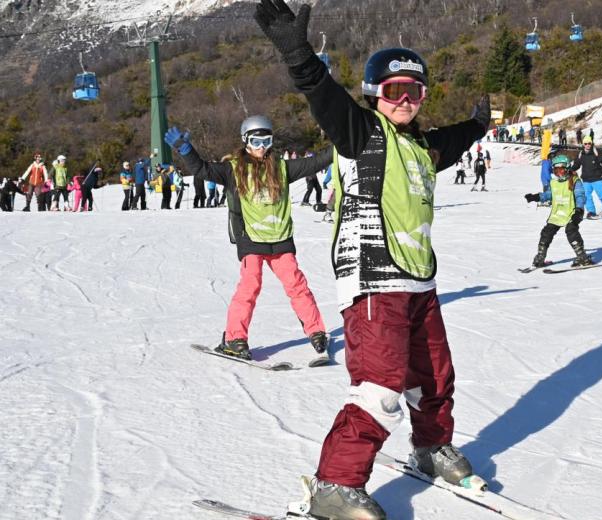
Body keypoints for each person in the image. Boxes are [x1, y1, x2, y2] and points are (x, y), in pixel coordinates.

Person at [255, 2, 489, 516]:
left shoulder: (423, 147)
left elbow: (454, 138)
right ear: (373, 94)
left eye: (414, 92)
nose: (404, 100)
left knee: (433, 377)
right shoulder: (360, 133)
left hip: (418, 280)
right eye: (393, 91)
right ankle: (334, 484)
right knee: (381, 385)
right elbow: (322, 96)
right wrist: (298, 54)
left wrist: (478, 124)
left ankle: (430, 446)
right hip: (371, 278)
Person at [165, 115, 331, 361]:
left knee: (297, 286)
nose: (261, 146)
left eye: (266, 140)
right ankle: (236, 339)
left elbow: (317, 162)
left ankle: (316, 332)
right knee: (249, 287)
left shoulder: (283, 168)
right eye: (255, 140)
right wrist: (186, 150)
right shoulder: (233, 170)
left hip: (280, 240)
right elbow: (202, 169)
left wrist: (344, 138)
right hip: (251, 240)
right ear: (245, 141)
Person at [523, 154, 594, 267]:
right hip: (558, 214)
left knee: (571, 231)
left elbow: (580, 195)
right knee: (546, 233)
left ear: (567, 168)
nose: (559, 172)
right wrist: (536, 197)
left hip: (573, 213)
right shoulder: (554, 183)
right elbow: (549, 195)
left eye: (561, 169)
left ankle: (582, 256)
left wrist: (579, 210)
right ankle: (540, 257)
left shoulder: (575, 181)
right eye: (556, 170)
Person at [572, 135, 602, 218]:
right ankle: (591, 212)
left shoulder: (596, 152)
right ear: (583, 144)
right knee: (586, 197)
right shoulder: (581, 154)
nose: (587, 145)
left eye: (589, 143)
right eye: (586, 143)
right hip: (586, 179)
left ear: (591, 143)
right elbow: (577, 164)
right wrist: (570, 169)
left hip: (597, 178)